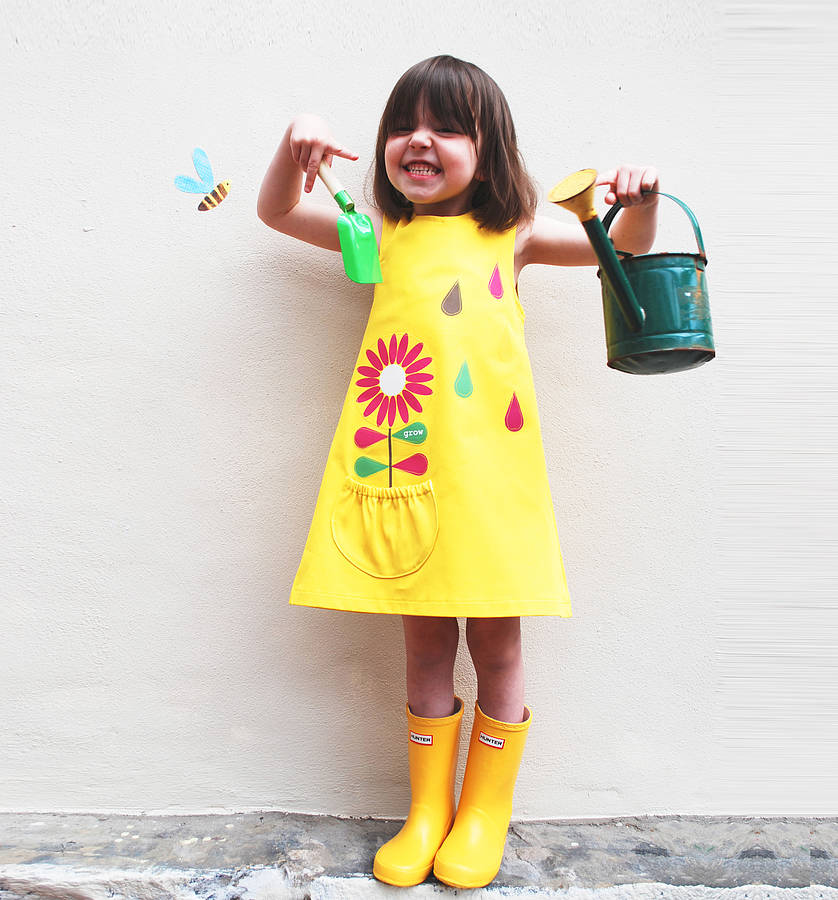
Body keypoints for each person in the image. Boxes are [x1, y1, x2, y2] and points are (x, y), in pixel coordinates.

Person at [257, 54, 659, 890]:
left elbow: (615, 248)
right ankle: (428, 811)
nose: (420, 140)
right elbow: (278, 212)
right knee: (425, 641)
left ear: (491, 147)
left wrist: (643, 202)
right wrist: (290, 148)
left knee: (501, 643)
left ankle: (483, 815)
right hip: (407, 475)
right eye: (405, 125)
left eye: (446, 126)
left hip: (491, 480)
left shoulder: (511, 234)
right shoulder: (379, 232)